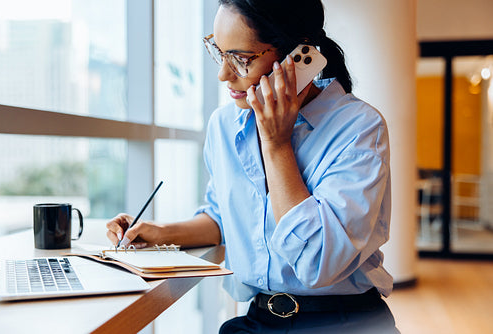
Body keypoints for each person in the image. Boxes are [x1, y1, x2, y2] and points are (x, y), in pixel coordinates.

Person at [106, 0, 399, 333]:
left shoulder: (359, 128)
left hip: (344, 321)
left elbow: (317, 262)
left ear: (298, 57)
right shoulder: (225, 125)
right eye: (219, 52)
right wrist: (160, 233)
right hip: (259, 319)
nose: (223, 74)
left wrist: (277, 144)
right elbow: (223, 216)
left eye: (241, 59)